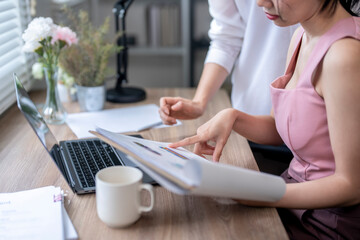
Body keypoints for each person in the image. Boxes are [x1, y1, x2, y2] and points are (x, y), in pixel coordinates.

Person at [168, 0, 360, 239]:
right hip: (294, 203)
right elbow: (282, 129)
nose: (260, 2)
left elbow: (351, 186)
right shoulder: (301, 36)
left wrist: (265, 193)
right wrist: (233, 117)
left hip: (328, 223)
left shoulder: (344, 56)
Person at [159, 1, 297, 173]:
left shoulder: (325, 49)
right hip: (256, 123)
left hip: (309, 135)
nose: (260, 3)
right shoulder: (300, 40)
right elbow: (225, 39)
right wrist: (199, 103)